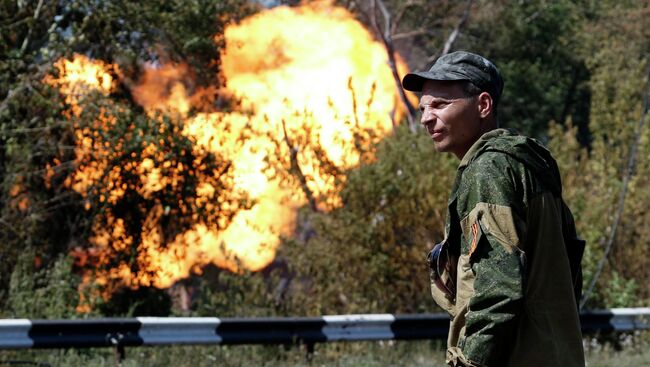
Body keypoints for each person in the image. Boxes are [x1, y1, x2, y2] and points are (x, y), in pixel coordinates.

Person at [401, 51, 586, 367]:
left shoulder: (487, 169)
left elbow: (498, 289)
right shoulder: (525, 165)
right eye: (423, 108)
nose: (426, 118)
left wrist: (470, 362)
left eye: (440, 105)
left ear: (483, 105)